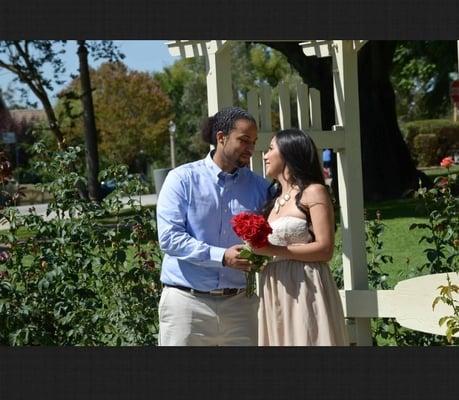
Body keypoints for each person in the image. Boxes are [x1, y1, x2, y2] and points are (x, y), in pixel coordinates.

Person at [156, 106, 271, 346]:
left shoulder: (260, 188)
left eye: (254, 142)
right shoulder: (182, 179)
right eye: (244, 140)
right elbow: (169, 238)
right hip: (186, 305)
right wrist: (222, 257)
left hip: (241, 306)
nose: (251, 149)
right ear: (221, 138)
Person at [255, 128, 348, 346]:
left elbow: (325, 249)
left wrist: (273, 250)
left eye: (270, 149)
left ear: (288, 153)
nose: (265, 156)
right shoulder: (274, 200)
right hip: (275, 288)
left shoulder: (314, 192)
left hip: (306, 286)